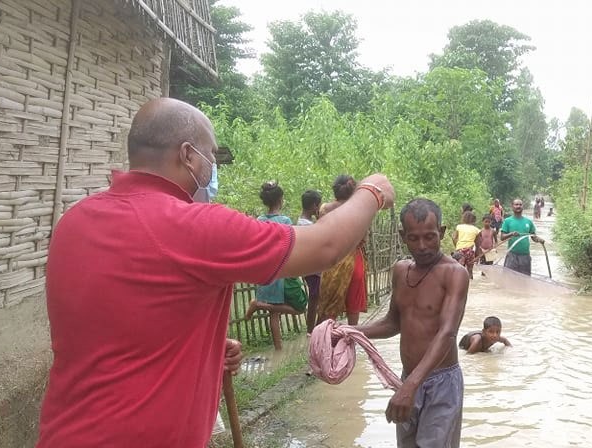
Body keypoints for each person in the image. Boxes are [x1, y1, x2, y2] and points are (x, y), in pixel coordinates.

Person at [36, 97, 395, 447]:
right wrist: (371, 192)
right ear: (188, 155)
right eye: (211, 156)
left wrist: (198, 344)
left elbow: (114, 321)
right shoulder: (193, 226)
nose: (213, 168)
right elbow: (325, 246)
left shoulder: (74, 221)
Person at [355, 198, 469, 448]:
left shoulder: (455, 274)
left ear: (442, 232)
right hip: (408, 377)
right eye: (414, 238)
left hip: (441, 381)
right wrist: (350, 332)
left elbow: (447, 333)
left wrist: (410, 386)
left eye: (430, 237)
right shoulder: (400, 270)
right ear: (402, 236)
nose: (422, 246)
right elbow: (392, 324)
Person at [244, 181, 306, 351]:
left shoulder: (260, 220)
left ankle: (279, 349)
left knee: (274, 312)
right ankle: (258, 305)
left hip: (265, 268)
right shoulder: (285, 220)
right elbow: (290, 245)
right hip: (281, 269)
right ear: (280, 200)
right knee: (299, 308)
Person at [317, 175, 369, 326]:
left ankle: (324, 343)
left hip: (332, 260)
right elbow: (363, 237)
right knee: (353, 309)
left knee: (329, 309)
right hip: (354, 260)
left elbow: (321, 234)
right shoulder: (360, 210)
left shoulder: (324, 209)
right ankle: (351, 341)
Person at [297, 189, 323, 334]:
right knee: (315, 299)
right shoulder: (307, 225)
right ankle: (311, 330)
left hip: (310, 268)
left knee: (316, 298)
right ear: (314, 206)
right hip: (313, 269)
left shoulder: (303, 222)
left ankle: (312, 329)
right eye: (318, 205)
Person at [500, 198, 545, 276]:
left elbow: (533, 237)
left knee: (525, 280)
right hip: (512, 255)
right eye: (516, 204)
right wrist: (511, 234)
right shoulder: (507, 221)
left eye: (520, 204)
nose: (518, 206)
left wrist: (540, 240)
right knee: (509, 279)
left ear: (522, 207)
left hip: (525, 256)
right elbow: (502, 237)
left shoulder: (528, 222)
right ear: (512, 206)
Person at [452, 210, 482, 279]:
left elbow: (454, 238)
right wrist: (477, 257)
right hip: (470, 252)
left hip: (460, 251)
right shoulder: (476, 230)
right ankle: (470, 285)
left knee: (459, 271)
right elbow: (477, 245)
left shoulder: (459, 227)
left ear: (463, 218)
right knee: (470, 271)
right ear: (474, 220)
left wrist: (457, 247)